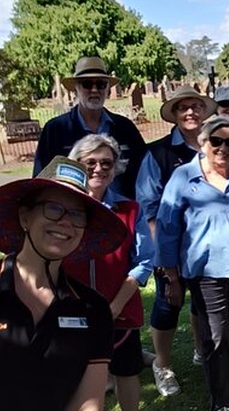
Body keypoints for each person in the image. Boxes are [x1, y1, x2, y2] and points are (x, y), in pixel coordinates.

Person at [155, 115, 229, 411]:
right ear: (203, 143)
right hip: (206, 273)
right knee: (216, 337)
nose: (223, 147)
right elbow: (167, 229)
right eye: (216, 141)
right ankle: (222, 402)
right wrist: (171, 277)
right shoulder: (183, 179)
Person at [0, 156, 128, 410]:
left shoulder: (93, 310)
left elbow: (88, 403)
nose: (66, 222)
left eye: (78, 215)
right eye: (53, 208)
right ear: (25, 217)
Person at [136, 84, 217, 397]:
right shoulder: (158, 153)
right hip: (169, 246)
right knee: (168, 304)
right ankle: (163, 365)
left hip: (205, 245)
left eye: (195, 106)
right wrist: (165, 254)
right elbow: (149, 206)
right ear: (174, 115)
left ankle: (200, 350)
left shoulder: (213, 148)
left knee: (201, 301)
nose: (190, 112)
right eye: (183, 107)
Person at [64, 135, 153, 411]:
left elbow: (145, 261)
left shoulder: (129, 210)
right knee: (77, 375)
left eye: (106, 162)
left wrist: (114, 307)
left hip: (120, 308)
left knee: (126, 370)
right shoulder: (62, 208)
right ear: (76, 165)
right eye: (90, 162)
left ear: (115, 168)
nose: (99, 168)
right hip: (70, 309)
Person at [34, 56, 147, 198]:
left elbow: (145, 173)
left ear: (107, 88)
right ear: (76, 88)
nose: (94, 90)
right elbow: (40, 180)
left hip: (120, 213)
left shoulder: (125, 127)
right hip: (73, 212)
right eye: (87, 84)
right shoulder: (56, 129)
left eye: (101, 84)